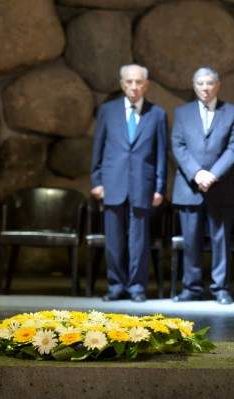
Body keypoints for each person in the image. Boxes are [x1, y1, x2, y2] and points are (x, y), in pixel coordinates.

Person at [90, 64, 167, 303]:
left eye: (139, 82)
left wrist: (159, 186)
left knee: (139, 240)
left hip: (143, 185)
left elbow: (162, 154)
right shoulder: (107, 111)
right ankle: (115, 284)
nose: (134, 86)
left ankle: (136, 287)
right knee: (113, 239)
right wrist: (96, 180)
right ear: (122, 84)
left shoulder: (157, 114)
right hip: (113, 183)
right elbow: (99, 148)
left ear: (146, 85)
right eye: (129, 82)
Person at [171, 67, 234, 305]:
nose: (205, 87)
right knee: (190, 240)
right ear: (194, 86)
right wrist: (197, 173)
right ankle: (191, 288)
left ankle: (221, 288)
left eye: (209, 83)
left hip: (220, 187)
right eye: (200, 83)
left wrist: (211, 175)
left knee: (220, 240)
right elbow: (178, 146)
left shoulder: (232, 112)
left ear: (218, 86)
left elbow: (233, 149)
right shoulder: (182, 113)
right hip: (190, 188)